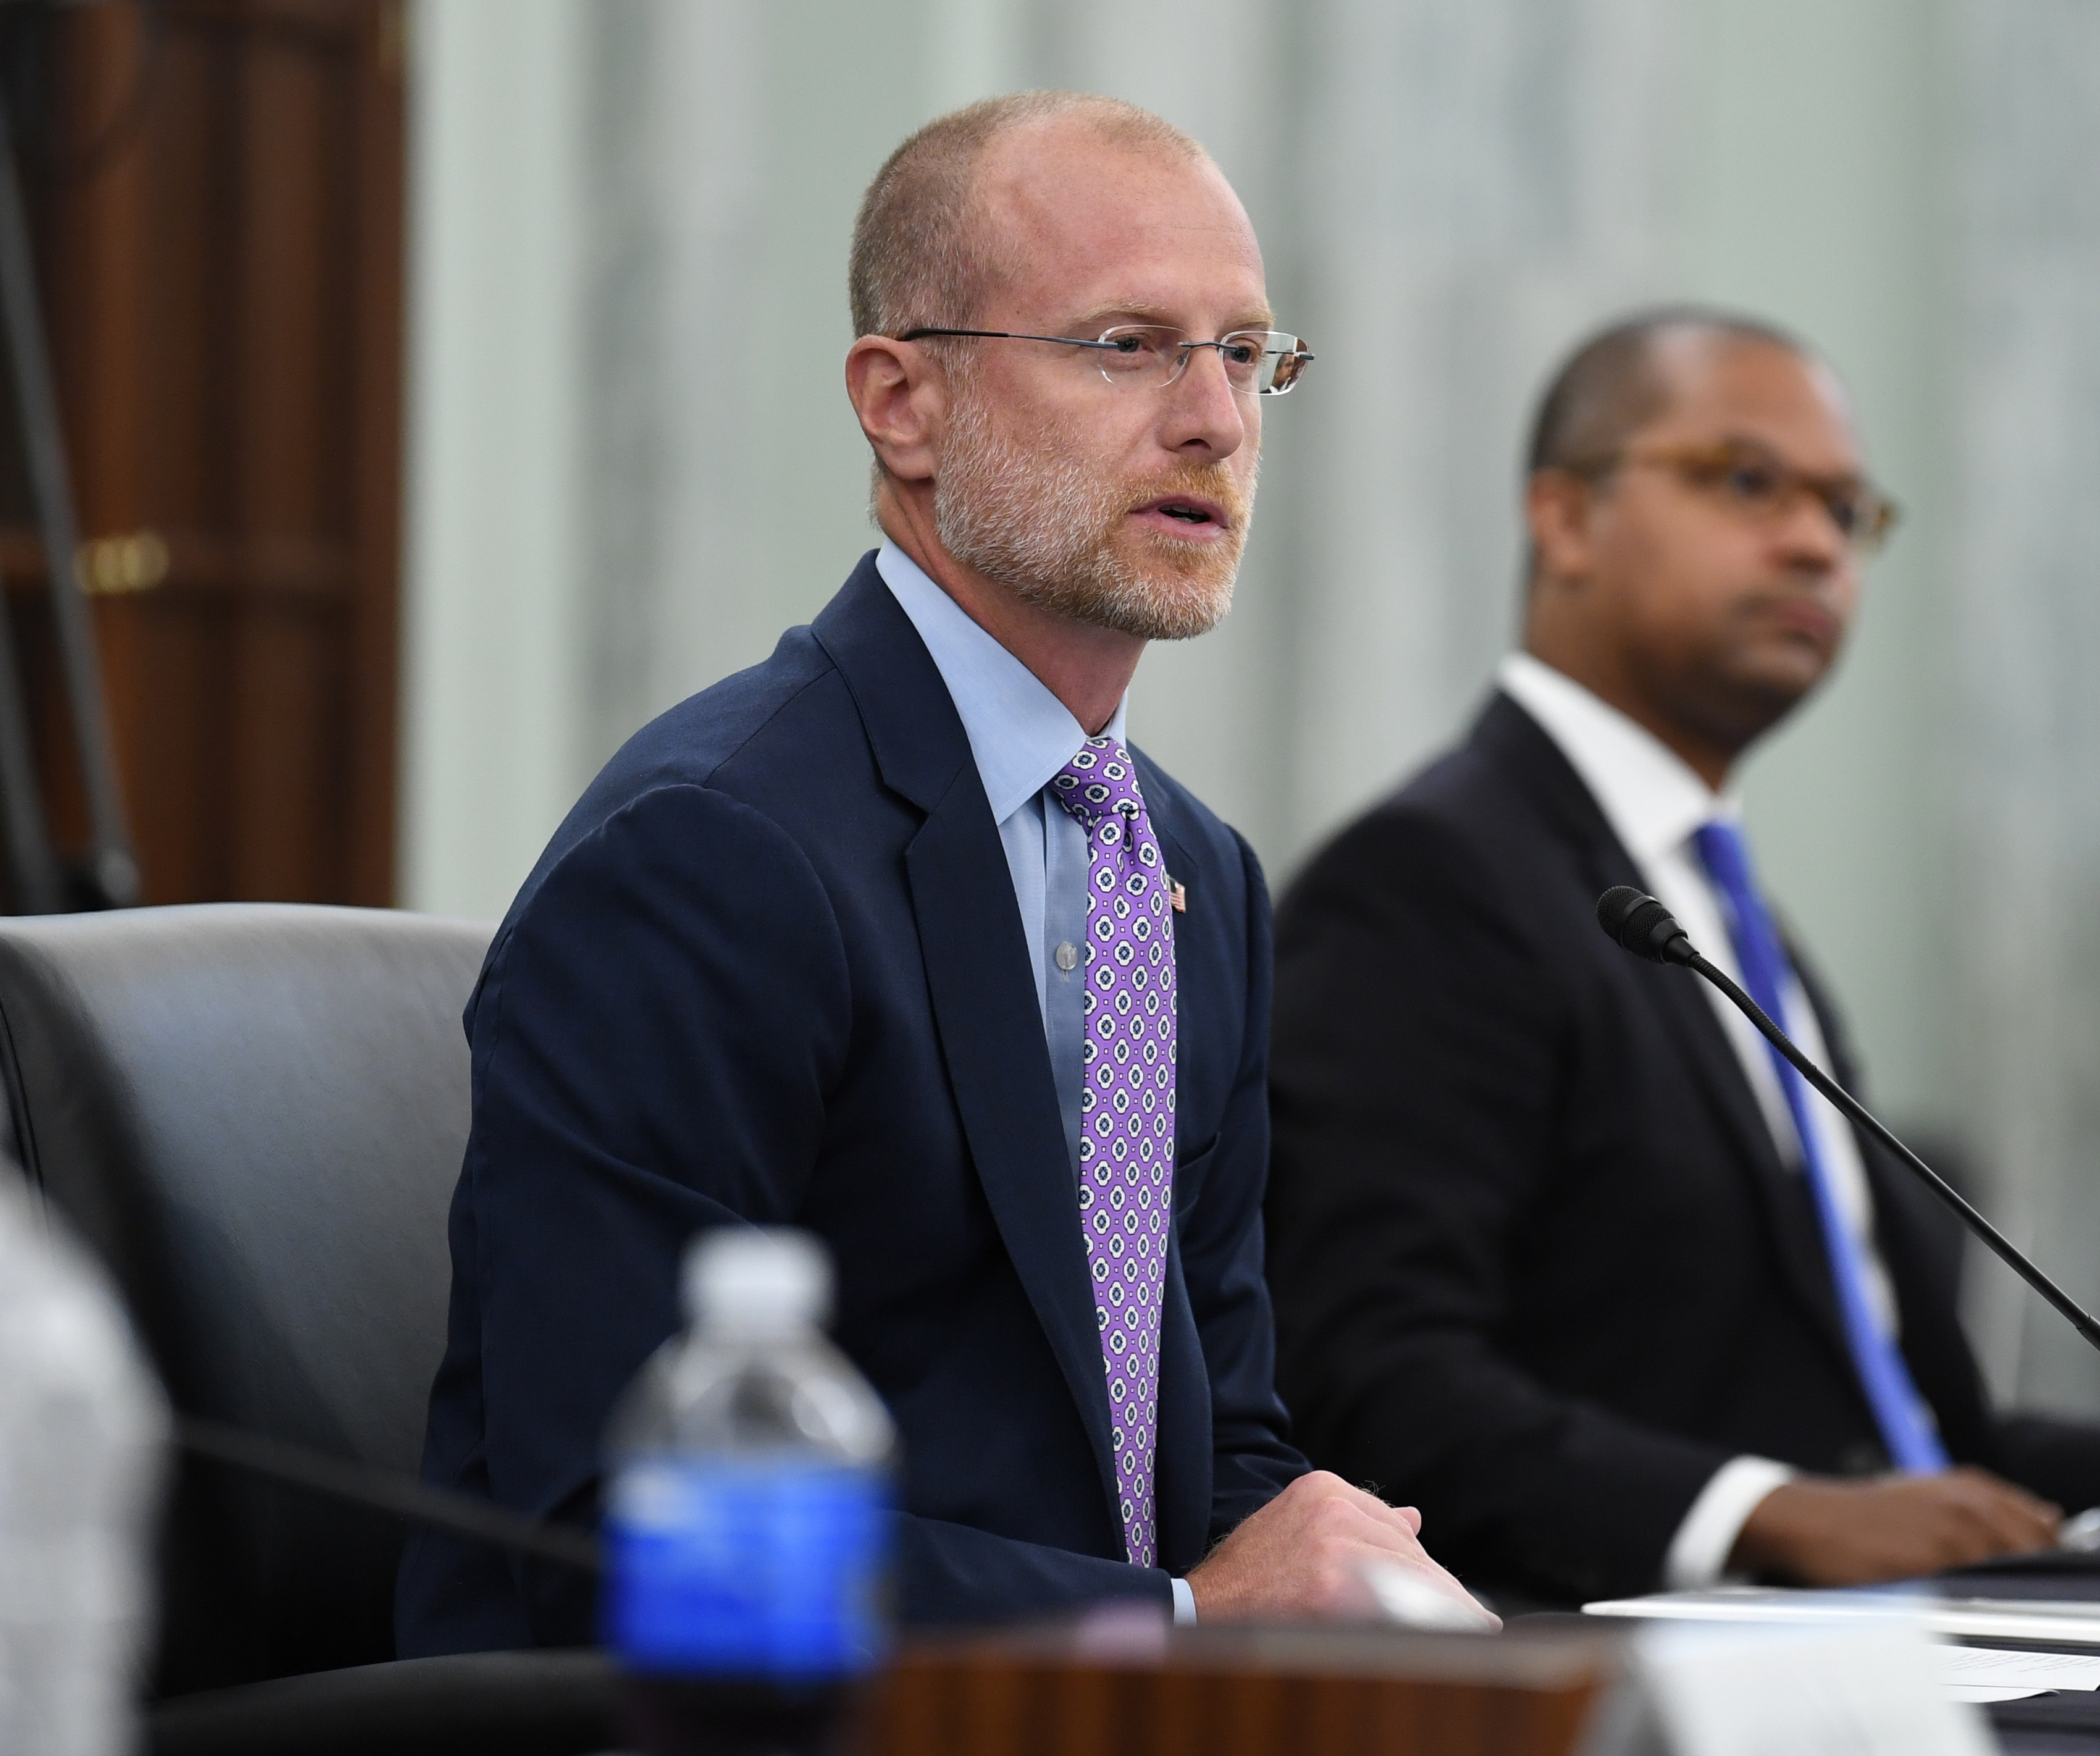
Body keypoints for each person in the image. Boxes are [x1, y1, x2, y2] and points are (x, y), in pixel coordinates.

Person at [397, 91, 1490, 1652]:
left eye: (1244, 354)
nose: (1216, 422)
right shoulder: (712, 858)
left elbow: (1212, 1438)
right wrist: (1180, 1619)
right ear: (901, 403)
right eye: (1125, 345)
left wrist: (1335, 1580)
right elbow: (621, 1537)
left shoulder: (1188, 872)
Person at [1263, 310, 2100, 1608]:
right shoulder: (1430, 879)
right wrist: (1759, 1516)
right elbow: (1373, 1378)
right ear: (1563, 519)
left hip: (1898, 1628)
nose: (1812, 541)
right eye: (1744, 482)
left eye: (1846, 510)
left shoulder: (1716, 911)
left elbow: (1896, 1439)